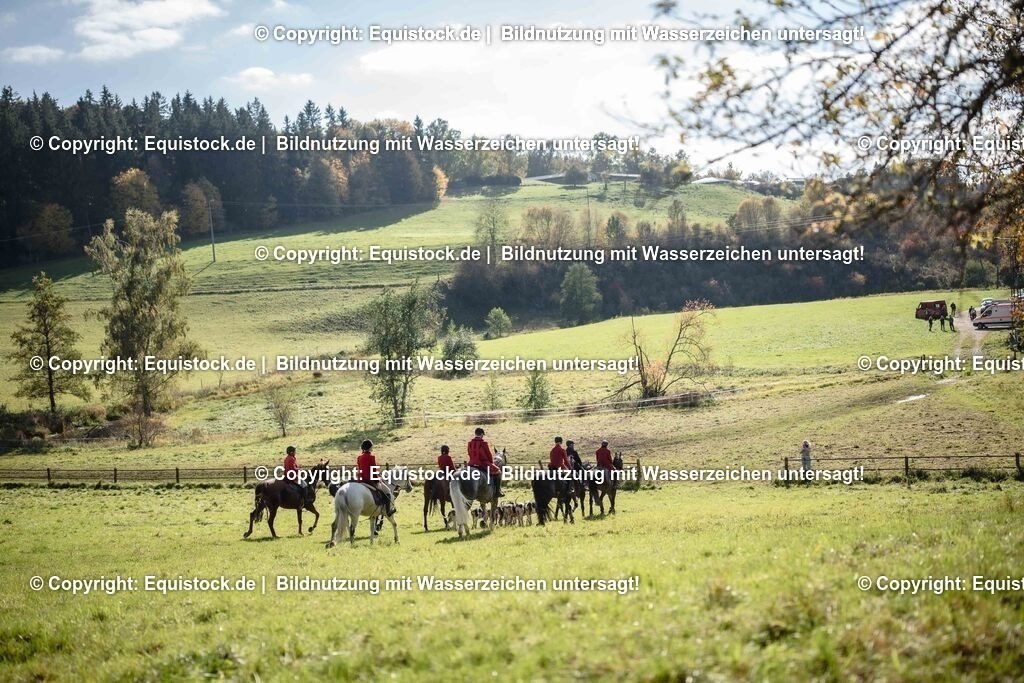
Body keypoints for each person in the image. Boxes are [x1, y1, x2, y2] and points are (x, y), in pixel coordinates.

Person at [356, 439, 395, 517]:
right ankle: (388, 511)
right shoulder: (371, 457)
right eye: (371, 446)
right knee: (387, 491)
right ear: (370, 447)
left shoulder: (359, 457)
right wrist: (378, 479)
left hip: (360, 480)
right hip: (370, 481)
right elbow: (373, 470)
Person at [467, 427, 502, 497]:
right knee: (498, 472)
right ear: (482, 434)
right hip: (482, 463)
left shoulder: (470, 443)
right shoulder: (483, 443)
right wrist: (491, 463)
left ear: (475, 434)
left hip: (471, 464)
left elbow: (469, 453)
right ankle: (497, 491)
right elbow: (488, 454)